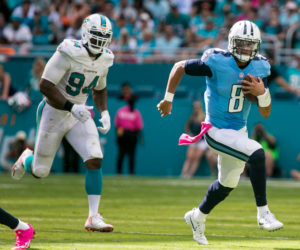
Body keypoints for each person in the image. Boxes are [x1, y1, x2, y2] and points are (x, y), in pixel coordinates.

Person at [157, 20, 283, 245]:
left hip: (238, 132)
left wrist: (262, 93)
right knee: (257, 153)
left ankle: (198, 217)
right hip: (215, 130)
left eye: (249, 45)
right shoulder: (216, 60)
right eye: (241, 44)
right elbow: (179, 67)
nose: (245, 49)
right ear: (232, 43)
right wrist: (168, 99)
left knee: (227, 185)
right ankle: (263, 213)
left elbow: (265, 112)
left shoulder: (261, 66)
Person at [11, 14, 114, 232]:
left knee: (95, 157)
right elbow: (45, 85)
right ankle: (26, 158)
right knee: (40, 171)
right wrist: (72, 107)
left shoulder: (106, 58)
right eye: (96, 35)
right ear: (86, 33)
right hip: (54, 112)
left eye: (104, 37)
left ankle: (93, 217)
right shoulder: (68, 51)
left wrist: (104, 111)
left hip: (80, 114)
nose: (100, 41)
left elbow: (100, 88)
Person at [180, 100, 217, 178]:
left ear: (200, 107)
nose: (196, 109)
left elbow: (208, 129)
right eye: (195, 107)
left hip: (202, 141)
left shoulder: (203, 117)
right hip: (193, 140)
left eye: (197, 107)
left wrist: (201, 137)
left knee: (196, 158)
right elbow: (187, 127)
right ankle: (183, 174)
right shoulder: (192, 118)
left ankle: (189, 175)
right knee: (189, 157)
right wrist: (190, 134)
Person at [114, 96, 144, 175]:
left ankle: (131, 173)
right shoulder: (121, 111)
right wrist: (118, 136)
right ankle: (119, 173)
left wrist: (141, 138)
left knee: (131, 156)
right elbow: (118, 126)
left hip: (132, 136)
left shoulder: (136, 113)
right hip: (123, 136)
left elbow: (139, 127)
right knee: (121, 155)